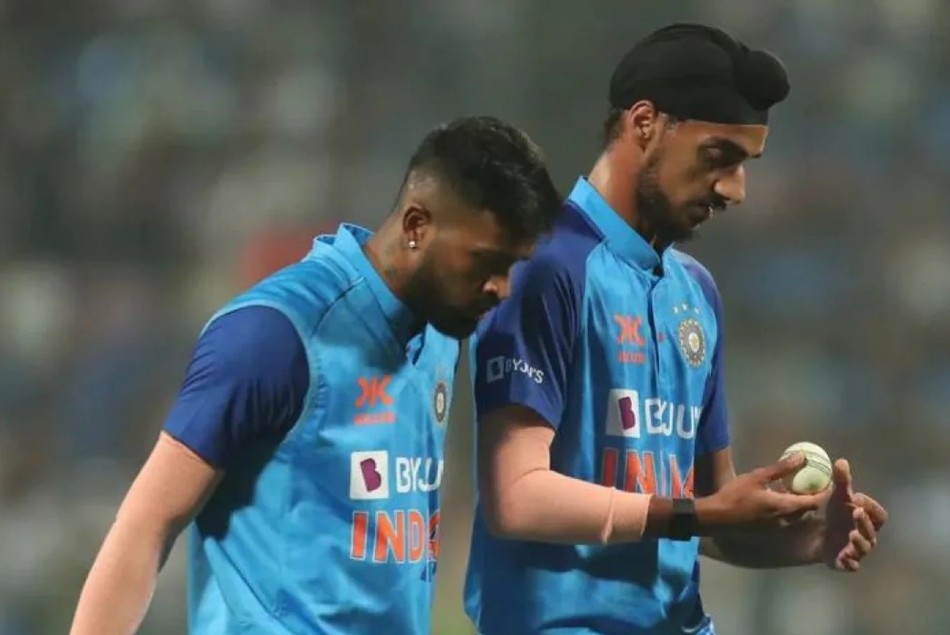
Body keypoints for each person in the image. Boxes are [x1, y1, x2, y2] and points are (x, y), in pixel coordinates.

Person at [465, 24, 888, 635]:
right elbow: (516, 497)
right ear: (645, 123)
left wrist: (808, 541)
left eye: (744, 165)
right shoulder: (545, 267)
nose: (734, 190)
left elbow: (706, 514)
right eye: (718, 157)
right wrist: (703, 513)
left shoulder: (695, 291)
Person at [69, 115, 562, 635]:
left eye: (512, 267)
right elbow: (149, 521)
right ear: (417, 226)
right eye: (485, 262)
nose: (500, 288)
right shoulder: (274, 334)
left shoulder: (440, 330)